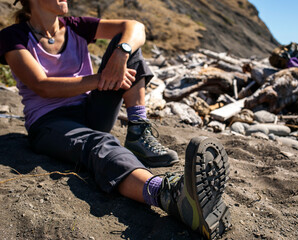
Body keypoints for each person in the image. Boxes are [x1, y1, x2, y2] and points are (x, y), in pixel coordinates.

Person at [0, 0, 231, 239]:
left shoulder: (75, 26)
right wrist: (104, 78)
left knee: (129, 46)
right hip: (49, 123)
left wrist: (122, 53)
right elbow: (42, 86)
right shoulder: (13, 37)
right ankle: (166, 194)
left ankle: (138, 132)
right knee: (100, 144)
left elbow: (135, 26)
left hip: (90, 111)